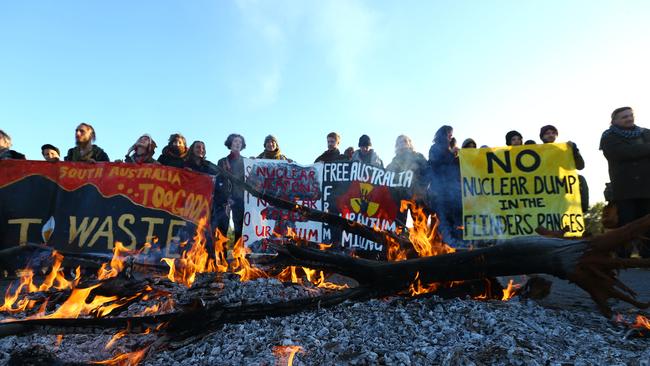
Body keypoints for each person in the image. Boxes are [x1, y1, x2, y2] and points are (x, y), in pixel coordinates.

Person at [600, 106, 650, 257]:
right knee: (625, 225)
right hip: (624, 189)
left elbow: (631, 152)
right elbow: (621, 153)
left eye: (630, 115)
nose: (629, 118)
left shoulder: (646, 132)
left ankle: (647, 256)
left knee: (647, 224)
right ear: (614, 121)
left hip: (647, 187)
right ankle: (623, 256)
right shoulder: (608, 137)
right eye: (624, 117)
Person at [539, 124, 589, 213]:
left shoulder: (563, 150)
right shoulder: (537, 151)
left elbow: (580, 166)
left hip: (562, 185)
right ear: (542, 136)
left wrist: (574, 151)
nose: (551, 135)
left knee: (581, 179)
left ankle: (582, 206)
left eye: (553, 133)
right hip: (545, 186)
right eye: (547, 133)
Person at [428, 125, 463, 245]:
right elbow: (436, 164)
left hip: (454, 192)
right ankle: (444, 245)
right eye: (449, 133)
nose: (451, 135)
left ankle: (456, 244)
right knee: (443, 221)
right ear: (443, 134)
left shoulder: (451, 147)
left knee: (456, 221)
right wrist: (451, 154)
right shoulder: (435, 148)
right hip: (440, 192)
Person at [216, 134, 247, 243]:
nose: (238, 143)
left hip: (240, 199)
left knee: (240, 229)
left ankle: (239, 256)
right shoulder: (222, 161)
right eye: (235, 141)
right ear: (230, 143)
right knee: (222, 228)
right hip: (225, 200)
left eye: (240, 142)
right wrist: (225, 198)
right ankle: (221, 256)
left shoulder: (247, 162)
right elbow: (219, 181)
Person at [387, 135, 429, 200]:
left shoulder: (418, 156)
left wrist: (421, 188)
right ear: (397, 145)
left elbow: (427, 172)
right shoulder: (394, 162)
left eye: (404, 141)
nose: (402, 143)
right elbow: (387, 176)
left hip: (417, 196)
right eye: (399, 142)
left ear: (409, 143)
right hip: (400, 198)